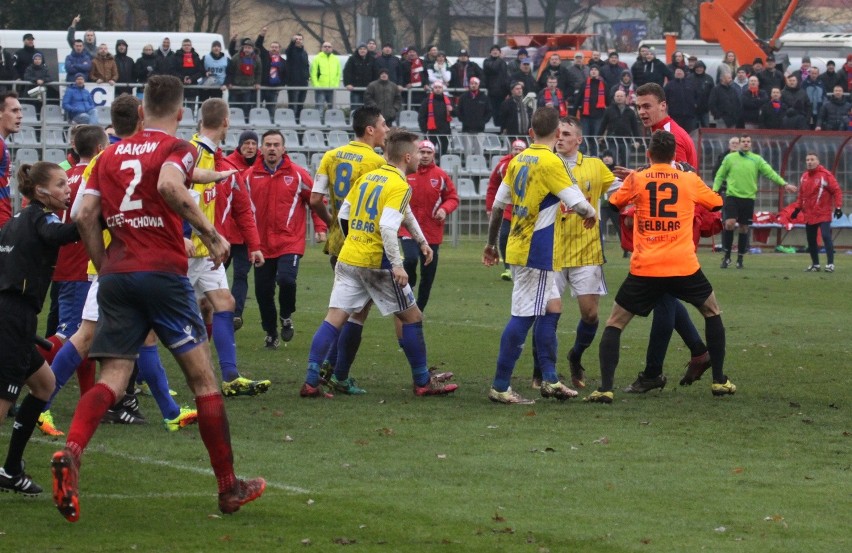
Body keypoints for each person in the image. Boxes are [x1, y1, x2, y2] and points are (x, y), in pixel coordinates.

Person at [53, 75, 266, 522]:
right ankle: (228, 488)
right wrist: (211, 234)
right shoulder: (177, 148)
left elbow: (83, 214)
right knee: (203, 380)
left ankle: (71, 452)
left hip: (118, 276)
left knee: (112, 376)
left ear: (143, 111)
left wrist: (105, 264)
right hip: (164, 274)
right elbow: (171, 187)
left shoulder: (107, 154)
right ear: (181, 113)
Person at [300, 130, 458, 398]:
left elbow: (346, 213)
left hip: (349, 257)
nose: (421, 156)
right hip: (377, 263)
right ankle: (422, 381)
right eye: (419, 152)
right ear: (407, 156)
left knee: (336, 317)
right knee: (412, 317)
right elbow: (387, 225)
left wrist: (421, 241)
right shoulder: (399, 184)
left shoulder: (369, 177)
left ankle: (312, 381)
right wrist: (396, 264)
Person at [590, 130, 732, 404]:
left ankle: (605, 388)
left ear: (648, 154)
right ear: (674, 156)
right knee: (712, 311)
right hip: (683, 264)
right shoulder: (688, 179)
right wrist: (692, 176)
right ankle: (719, 380)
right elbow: (716, 203)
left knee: (615, 323)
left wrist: (638, 181)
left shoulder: (638, 178)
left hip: (647, 266)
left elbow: (614, 203)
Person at [482, 106, 596, 405]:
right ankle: (500, 385)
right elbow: (578, 202)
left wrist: (492, 244)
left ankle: (550, 380)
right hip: (535, 250)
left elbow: (497, 206)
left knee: (552, 308)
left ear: (531, 131)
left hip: (521, 244)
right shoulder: (551, 162)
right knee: (523, 316)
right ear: (558, 133)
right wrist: (591, 214)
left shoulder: (518, 160)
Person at [0, 161, 80, 497]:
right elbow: (58, 235)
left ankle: (12, 469)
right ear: (40, 191)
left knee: (45, 385)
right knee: (3, 401)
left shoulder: (15, 221)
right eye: (61, 184)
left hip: (14, 315)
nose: (67, 189)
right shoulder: (42, 217)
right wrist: (100, 217)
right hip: (13, 316)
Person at [189, 98, 270, 396]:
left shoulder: (219, 163)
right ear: (226, 122)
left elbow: (242, 211)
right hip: (185, 252)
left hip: (206, 253)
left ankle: (230, 377)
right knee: (155, 320)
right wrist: (192, 237)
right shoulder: (194, 154)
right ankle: (135, 380)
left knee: (222, 303)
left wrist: (253, 245)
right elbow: (180, 200)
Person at [530, 116, 616, 390]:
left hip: (586, 251)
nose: (561, 137)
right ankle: (542, 369)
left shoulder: (595, 166)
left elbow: (621, 191)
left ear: (579, 139)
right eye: (559, 133)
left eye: (567, 133)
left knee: (590, 315)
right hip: (550, 251)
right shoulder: (545, 164)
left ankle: (575, 356)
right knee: (546, 313)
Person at [244, 130, 327, 348]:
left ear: (283, 148)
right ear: (261, 149)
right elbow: (238, 207)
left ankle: (286, 316)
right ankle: (271, 332)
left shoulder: (298, 174)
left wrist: (320, 226)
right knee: (263, 292)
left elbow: (316, 200)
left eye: (276, 144)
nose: (272, 148)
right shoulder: (249, 177)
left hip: (289, 241)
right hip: (260, 245)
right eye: (268, 144)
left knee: (287, 280)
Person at [713, 135, 796, 269]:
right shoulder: (729, 158)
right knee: (729, 223)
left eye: (748, 142)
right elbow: (719, 175)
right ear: (739, 144)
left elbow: (770, 173)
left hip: (748, 198)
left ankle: (740, 258)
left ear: (751, 144)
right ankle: (727, 256)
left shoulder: (756, 159)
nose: (746, 143)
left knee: (744, 227)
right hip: (732, 196)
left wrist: (784, 184)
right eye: (743, 141)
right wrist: (715, 191)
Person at [400, 140, 459, 312]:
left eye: (428, 152)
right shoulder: (406, 173)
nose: (425, 155)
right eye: (422, 152)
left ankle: (420, 308)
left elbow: (453, 198)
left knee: (428, 273)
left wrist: (444, 209)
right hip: (407, 228)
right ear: (415, 154)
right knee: (410, 259)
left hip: (431, 231)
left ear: (434, 155)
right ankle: (407, 291)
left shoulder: (441, 175)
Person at [791, 153, 843, 273]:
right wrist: (797, 209)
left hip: (823, 212)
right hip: (809, 213)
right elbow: (801, 195)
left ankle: (830, 264)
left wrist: (838, 207)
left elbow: (836, 191)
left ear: (818, 161)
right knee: (811, 240)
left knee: (825, 236)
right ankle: (815, 265)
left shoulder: (825, 175)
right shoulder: (804, 176)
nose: (809, 162)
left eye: (812, 159)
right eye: (807, 160)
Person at [485, 139, 527, 281]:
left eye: (520, 150)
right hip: (508, 208)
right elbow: (492, 187)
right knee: (503, 237)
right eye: (515, 149)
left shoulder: (530, 164)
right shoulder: (502, 166)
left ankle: (522, 266)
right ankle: (508, 268)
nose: (517, 152)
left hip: (525, 209)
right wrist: (490, 207)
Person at [597, 89, 641, 166]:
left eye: (621, 96)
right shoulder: (609, 110)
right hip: (612, 140)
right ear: (614, 97)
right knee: (613, 162)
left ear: (625, 97)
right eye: (617, 96)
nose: (619, 98)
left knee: (626, 163)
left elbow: (635, 127)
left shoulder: (630, 111)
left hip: (626, 140)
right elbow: (603, 124)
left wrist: (638, 140)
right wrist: (598, 136)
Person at [225, 38, 262, 116]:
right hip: (235, 88)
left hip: (248, 88)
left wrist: (257, 83)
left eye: (249, 48)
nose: (247, 50)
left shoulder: (257, 59)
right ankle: (232, 125)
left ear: (252, 49)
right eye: (245, 47)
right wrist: (229, 82)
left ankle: (245, 125)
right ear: (243, 48)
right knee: (233, 109)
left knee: (246, 108)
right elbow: (230, 71)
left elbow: (258, 73)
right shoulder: (236, 57)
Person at [255, 29, 286, 116]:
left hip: (273, 90)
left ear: (279, 49)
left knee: (271, 110)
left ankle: (270, 126)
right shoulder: (264, 56)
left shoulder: (283, 62)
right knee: (258, 109)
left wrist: (281, 86)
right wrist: (262, 35)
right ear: (270, 48)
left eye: (276, 47)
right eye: (272, 47)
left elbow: (285, 76)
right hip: (262, 87)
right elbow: (258, 45)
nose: (274, 49)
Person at [417, 81, 452, 158]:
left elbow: (455, 113)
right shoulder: (426, 101)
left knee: (443, 153)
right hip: (431, 131)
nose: (438, 89)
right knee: (429, 152)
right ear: (433, 89)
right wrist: (425, 130)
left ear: (442, 89)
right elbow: (421, 117)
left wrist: (452, 110)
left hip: (444, 131)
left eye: (439, 87)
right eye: (436, 87)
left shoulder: (448, 101)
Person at [170, 39, 205, 105]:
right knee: (179, 108)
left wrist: (191, 78)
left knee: (190, 109)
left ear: (191, 46)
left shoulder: (195, 56)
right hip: (179, 86)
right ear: (182, 46)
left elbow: (200, 71)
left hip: (192, 86)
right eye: (185, 45)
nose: (187, 47)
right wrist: (182, 78)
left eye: (188, 45)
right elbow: (172, 71)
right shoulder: (176, 56)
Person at [482, 45, 509, 127]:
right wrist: (499, 59)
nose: (495, 51)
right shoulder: (487, 62)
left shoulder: (503, 62)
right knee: (494, 111)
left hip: (503, 92)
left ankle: (501, 129)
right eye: (493, 50)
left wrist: (508, 91)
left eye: (497, 50)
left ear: (500, 52)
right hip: (492, 92)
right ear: (490, 52)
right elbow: (494, 68)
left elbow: (506, 76)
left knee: (503, 112)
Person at [311, 41, 341, 112]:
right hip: (320, 89)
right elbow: (313, 74)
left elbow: (338, 73)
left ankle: (332, 122)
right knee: (319, 108)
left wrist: (336, 85)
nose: (327, 48)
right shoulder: (317, 59)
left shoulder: (336, 59)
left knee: (332, 109)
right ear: (322, 48)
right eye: (325, 46)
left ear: (332, 49)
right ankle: (319, 122)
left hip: (332, 88)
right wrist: (317, 86)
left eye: (329, 47)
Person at [664, 67, 698, 132]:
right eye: (677, 72)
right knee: (676, 133)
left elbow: (697, 96)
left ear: (684, 73)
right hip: (675, 115)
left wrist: (695, 105)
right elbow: (664, 98)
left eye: (680, 71)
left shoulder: (690, 84)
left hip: (689, 115)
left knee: (689, 134)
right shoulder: (669, 85)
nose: (679, 73)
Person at [343, 43, 374, 109]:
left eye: (364, 49)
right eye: (360, 49)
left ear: (367, 50)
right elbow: (346, 72)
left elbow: (375, 73)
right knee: (355, 109)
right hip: (355, 89)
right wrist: (347, 84)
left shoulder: (372, 59)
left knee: (369, 110)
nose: (362, 51)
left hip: (368, 90)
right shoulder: (352, 59)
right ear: (357, 50)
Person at [687, 61, 715, 127]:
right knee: (693, 128)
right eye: (697, 67)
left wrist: (710, 105)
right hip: (692, 109)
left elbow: (712, 93)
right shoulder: (689, 78)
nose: (699, 69)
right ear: (694, 68)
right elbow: (687, 93)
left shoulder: (709, 78)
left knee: (706, 128)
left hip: (705, 109)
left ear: (704, 68)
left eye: (701, 68)